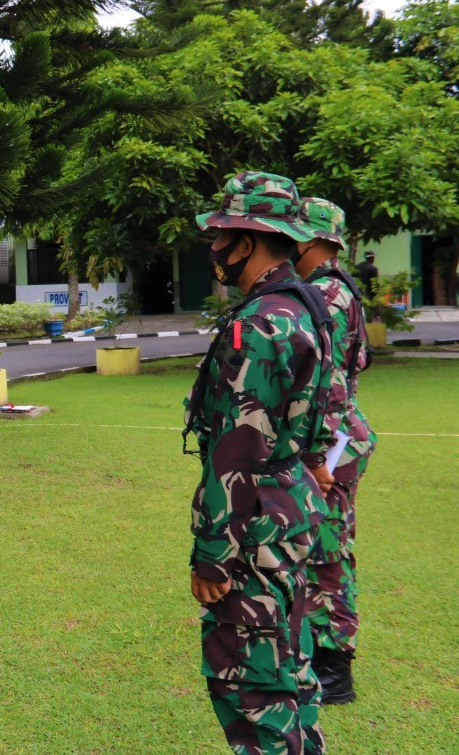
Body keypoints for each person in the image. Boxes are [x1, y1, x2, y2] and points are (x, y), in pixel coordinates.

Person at [182, 173, 332, 753]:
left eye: (220, 235)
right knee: (289, 673)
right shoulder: (306, 306)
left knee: (252, 689)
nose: (213, 248)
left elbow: (236, 454)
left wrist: (213, 556)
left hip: (253, 530)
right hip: (288, 512)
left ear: (246, 242)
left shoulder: (261, 323)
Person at [294, 198, 377, 704]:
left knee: (329, 553)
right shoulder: (338, 287)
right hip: (341, 437)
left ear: (312, 239)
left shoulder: (325, 292)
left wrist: (319, 457)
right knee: (325, 549)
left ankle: (334, 668)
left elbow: (332, 383)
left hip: (334, 442)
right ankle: (318, 650)